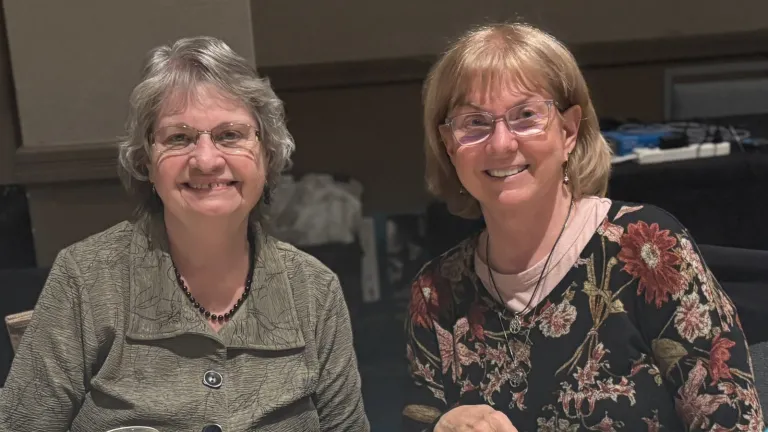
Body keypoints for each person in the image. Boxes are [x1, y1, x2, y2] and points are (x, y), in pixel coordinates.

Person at [403, 23, 764, 431]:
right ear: (450, 146)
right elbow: (418, 418)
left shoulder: (645, 248)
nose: (501, 143)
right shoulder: (435, 292)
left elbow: (733, 424)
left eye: (526, 116)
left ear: (569, 131)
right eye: (474, 122)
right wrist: (444, 425)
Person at [0, 36, 369, 432]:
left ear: (268, 154)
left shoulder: (314, 290)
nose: (206, 160)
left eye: (230, 135)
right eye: (179, 138)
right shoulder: (86, 276)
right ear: (147, 162)